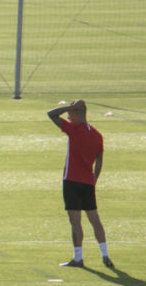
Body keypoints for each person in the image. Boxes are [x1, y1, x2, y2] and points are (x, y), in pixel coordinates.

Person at [48, 99, 114, 268]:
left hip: (71, 181)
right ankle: (105, 254)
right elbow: (99, 159)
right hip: (88, 183)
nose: (68, 116)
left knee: (75, 221)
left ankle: (78, 258)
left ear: (77, 113)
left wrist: (70, 106)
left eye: (71, 113)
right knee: (95, 220)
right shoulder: (97, 135)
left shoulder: (74, 131)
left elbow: (51, 114)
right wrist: (94, 179)